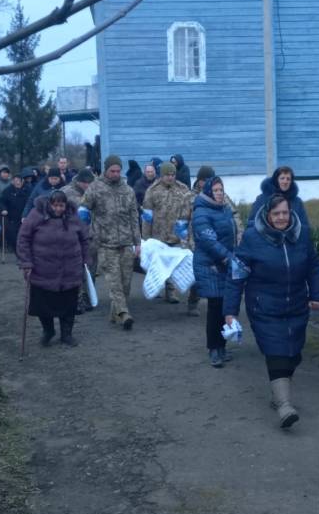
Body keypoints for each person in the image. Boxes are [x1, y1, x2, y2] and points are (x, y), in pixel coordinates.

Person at [224, 193, 319, 429]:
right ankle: (284, 405)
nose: (281, 218)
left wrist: (318, 295)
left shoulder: (302, 234)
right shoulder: (252, 238)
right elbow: (235, 276)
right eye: (276, 213)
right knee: (277, 351)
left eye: (285, 213)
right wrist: (230, 311)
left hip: (296, 304)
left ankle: (278, 393)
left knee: (293, 353)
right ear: (267, 216)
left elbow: (313, 264)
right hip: (264, 306)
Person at [17, 190, 88, 347]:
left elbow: (84, 239)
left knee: (69, 305)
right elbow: (23, 238)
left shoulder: (73, 216)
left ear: (65, 205)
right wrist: (26, 263)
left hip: (70, 269)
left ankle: (67, 335)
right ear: (49, 204)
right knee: (43, 306)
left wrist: (84, 259)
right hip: (43, 270)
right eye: (55, 205)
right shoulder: (36, 215)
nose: (58, 209)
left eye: (61, 205)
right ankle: (48, 331)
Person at [81, 155, 141, 330]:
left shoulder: (127, 190)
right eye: (112, 171)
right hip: (105, 243)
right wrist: (83, 215)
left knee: (126, 282)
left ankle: (115, 314)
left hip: (126, 242)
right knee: (114, 281)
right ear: (106, 170)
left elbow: (133, 216)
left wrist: (137, 242)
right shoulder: (95, 188)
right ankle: (124, 313)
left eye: (118, 171)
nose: (115, 174)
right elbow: (83, 206)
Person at [192, 176, 237, 368]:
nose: (220, 194)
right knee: (214, 308)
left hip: (226, 263)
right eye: (216, 190)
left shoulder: (225, 209)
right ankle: (213, 348)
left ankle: (222, 345)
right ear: (209, 192)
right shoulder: (201, 212)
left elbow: (234, 233)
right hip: (211, 265)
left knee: (226, 307)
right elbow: (208, 240)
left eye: (222, 190)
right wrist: (227, 257)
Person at [142, 161, 194, 307]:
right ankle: (157, 285)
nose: (170, 177)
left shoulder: (183, 189)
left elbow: (188, 212)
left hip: (177, 234)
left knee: (174, 263)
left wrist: (186, 233)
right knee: (158, 263)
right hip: (158, 235)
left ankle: (171, 291)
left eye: (172, 175)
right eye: (167, 175)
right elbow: (147, 216)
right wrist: (145, 238)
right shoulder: (152, 190)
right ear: (161, 175)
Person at [63, 168, 97, 312]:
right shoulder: (66, 192)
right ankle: (77, 300)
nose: (88, 186)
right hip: (72, 237)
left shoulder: (95, 191)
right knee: (75, 270)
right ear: (80, 182)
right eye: (86, 184)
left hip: (91, 236)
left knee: (91, 269)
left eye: (90, 183)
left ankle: (88, 298)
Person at [0, 174, 27, 251]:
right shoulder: (7, 190)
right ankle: (16, 250)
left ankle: (21, 251)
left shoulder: (26, 189)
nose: (17, 183)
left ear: (22, 181)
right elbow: (1, 201)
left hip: (23, 216)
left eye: (19, 181)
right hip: (11, 217)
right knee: (13, 235)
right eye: (15, 181)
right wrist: (3, 209)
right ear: (12, 181)